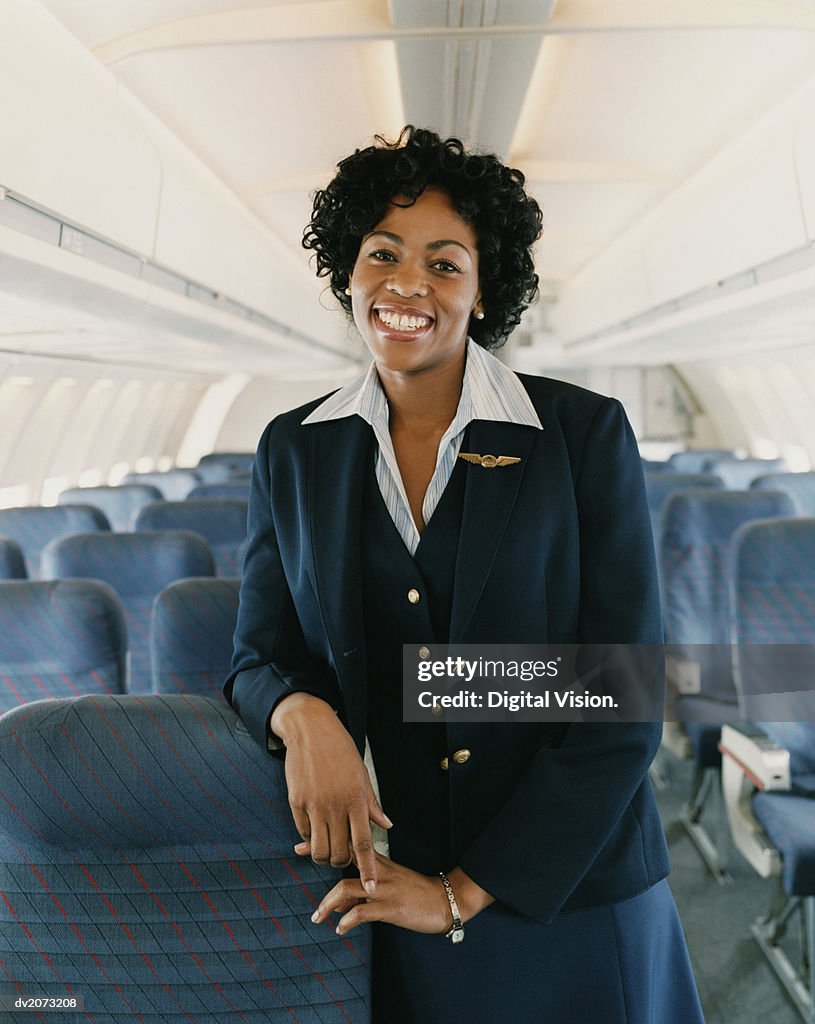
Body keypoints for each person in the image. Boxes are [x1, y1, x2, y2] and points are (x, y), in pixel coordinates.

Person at [225, 126, 704, 1023]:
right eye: (382, 255)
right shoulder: (295, 449)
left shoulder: (579, 436)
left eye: (445, 264)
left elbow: (622, 691)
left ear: (483, 293)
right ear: (349, 274)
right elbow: (258, 654)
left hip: (569, 886)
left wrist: (463, 890)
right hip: (385, 884)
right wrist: (304, 715)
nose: (408, 283)